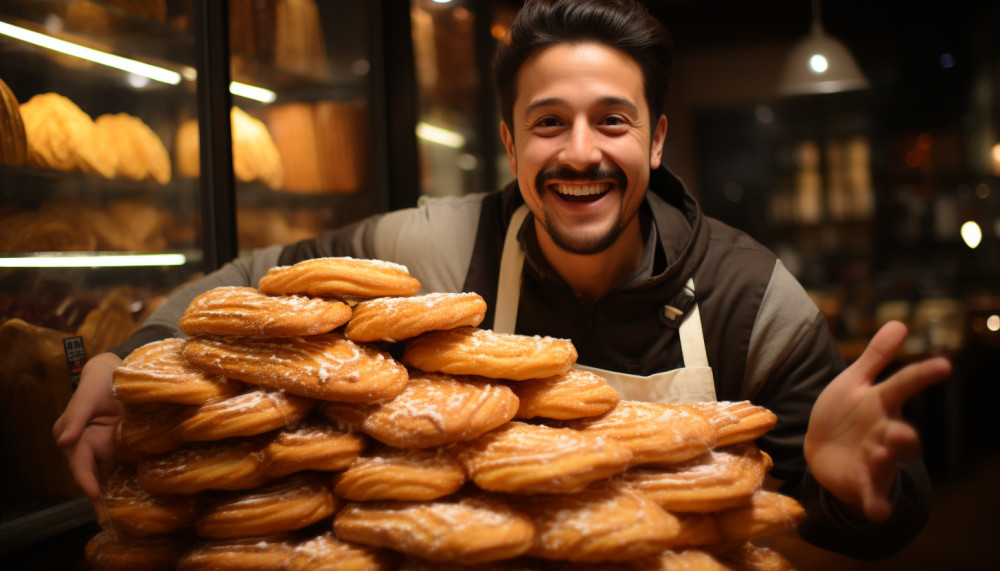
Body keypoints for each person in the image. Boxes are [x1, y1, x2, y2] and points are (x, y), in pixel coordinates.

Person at [54, 0, 951, 560]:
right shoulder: (437, 250)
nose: (581, 153)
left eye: (613, 121)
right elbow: (250, 280)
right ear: (512, 142)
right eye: (548, 123)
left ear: (658, 140)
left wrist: (847, 486)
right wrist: (134, 348)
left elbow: (871, 517)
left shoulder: (752, 298)